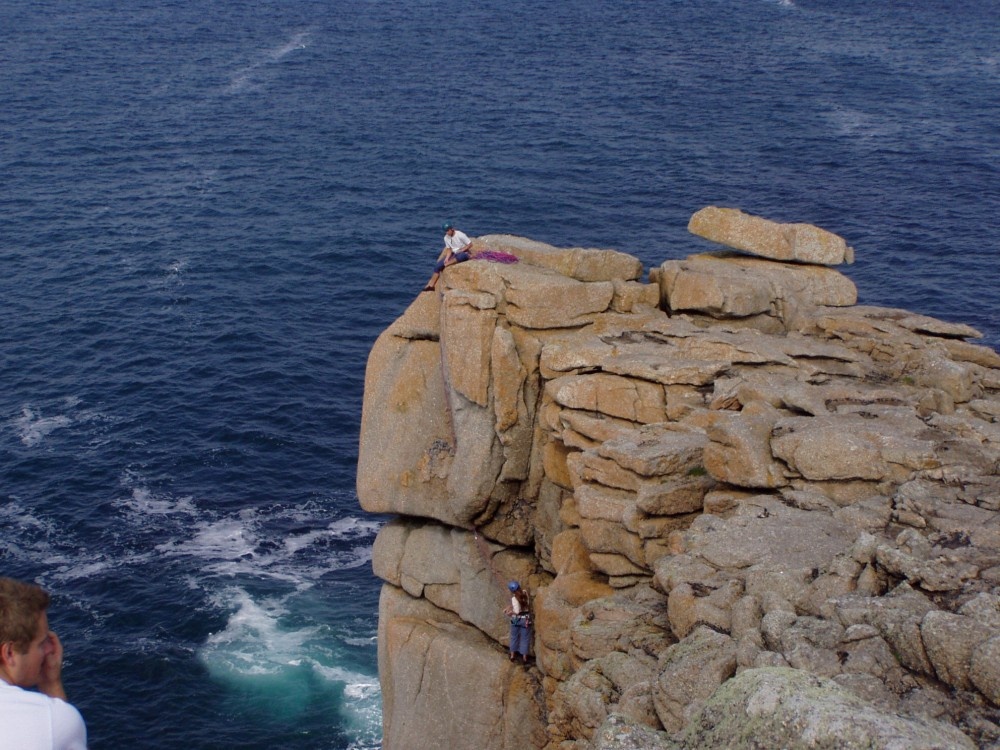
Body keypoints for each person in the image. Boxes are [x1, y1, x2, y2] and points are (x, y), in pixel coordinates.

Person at [0, 577, 87, 750]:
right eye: (42, 643)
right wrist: (52, 686)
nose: (50, 648)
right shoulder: (52, 720)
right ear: (9, 653)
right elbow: (54, 733)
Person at [423, 222, 474, 292]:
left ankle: (448, 264)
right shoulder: (446, 238)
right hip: (454, 253)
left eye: (448, 230)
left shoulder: (460, 234)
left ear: (452, 229)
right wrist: (447, 258)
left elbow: (470, 244)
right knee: (437, 266)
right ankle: (431, 285)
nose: (447, 232)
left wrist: (462, 250)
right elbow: (449, 249)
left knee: (462, 256)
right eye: (445, 231)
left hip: (463, 252)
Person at [504, 581, 531, 664]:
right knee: (525, 638)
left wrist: (509, 613)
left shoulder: (514, 598)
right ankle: (524, 658)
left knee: (514, 637)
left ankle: (512, 656)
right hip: (525, 619)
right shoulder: (525, 593)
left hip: (516, 619)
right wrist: (510, 606)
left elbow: (517, 611)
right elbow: (522, 604)